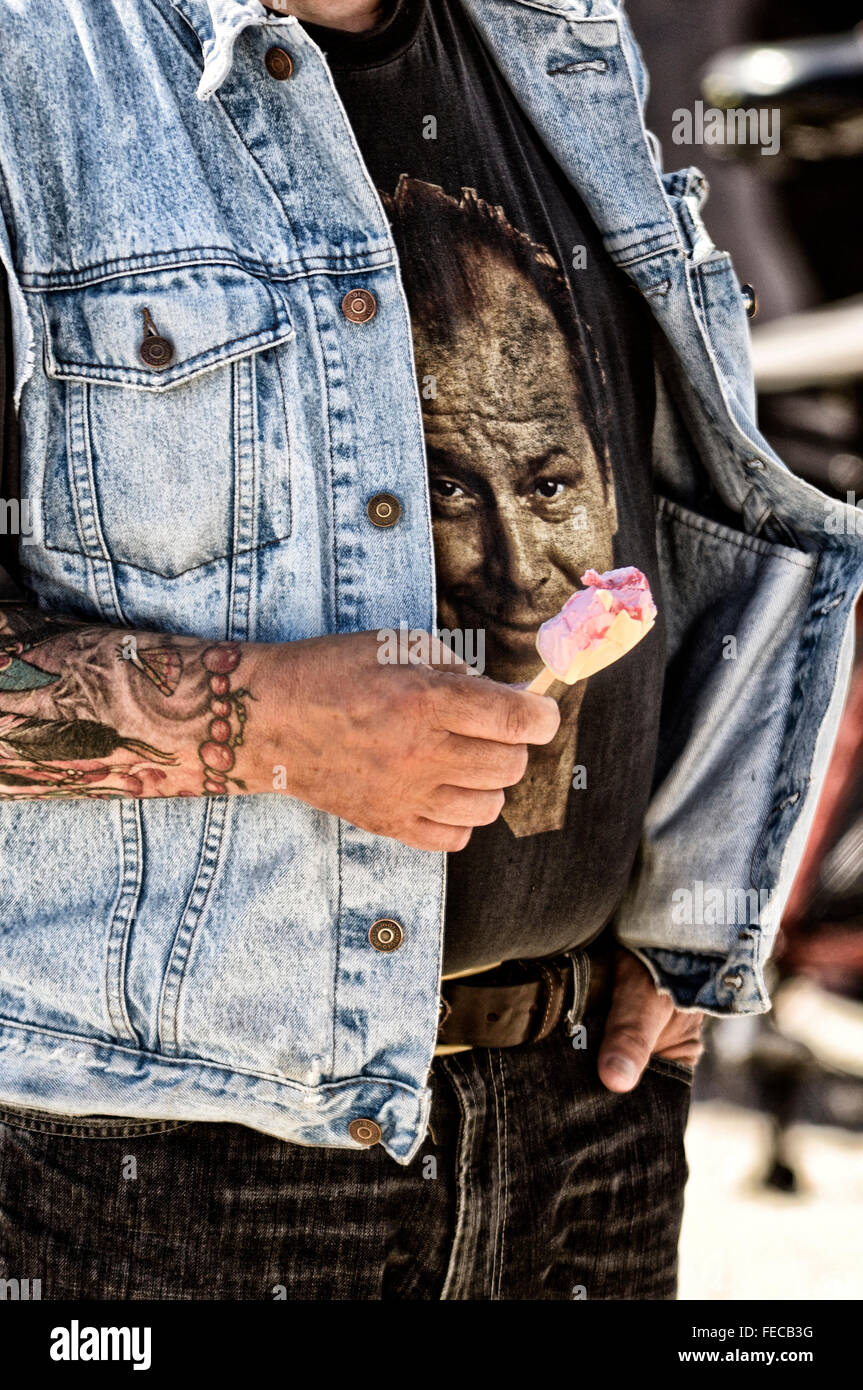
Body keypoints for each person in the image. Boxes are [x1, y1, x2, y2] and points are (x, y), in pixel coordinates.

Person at [0, 0, 857, 1301]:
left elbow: (679, 500)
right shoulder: (34, 63)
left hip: (581, 1114)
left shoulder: (556, 34)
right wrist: (266, 721)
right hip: (176, 1171)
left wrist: (686, 920)